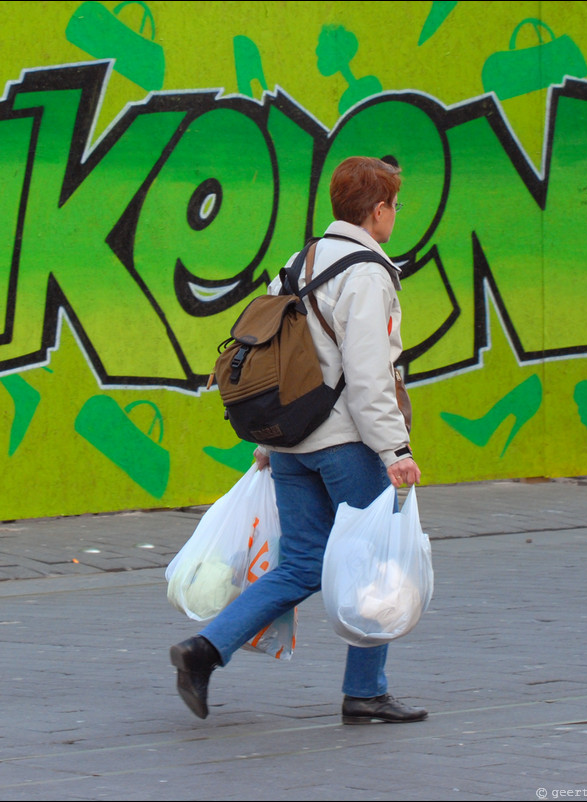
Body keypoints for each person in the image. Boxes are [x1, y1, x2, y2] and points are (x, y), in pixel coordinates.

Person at [170, 156, 426, 725]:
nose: (394, 217)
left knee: (304, 564)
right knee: (375, 563)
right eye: (394, 207)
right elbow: (368, 376)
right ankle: (366, 691)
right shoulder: (366, 272)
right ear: (379, 210)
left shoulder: (299, 260)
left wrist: (269, 442)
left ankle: (204, 650)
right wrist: (396, 451)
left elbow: (275, 352)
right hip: (344, 445)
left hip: (291, 442)